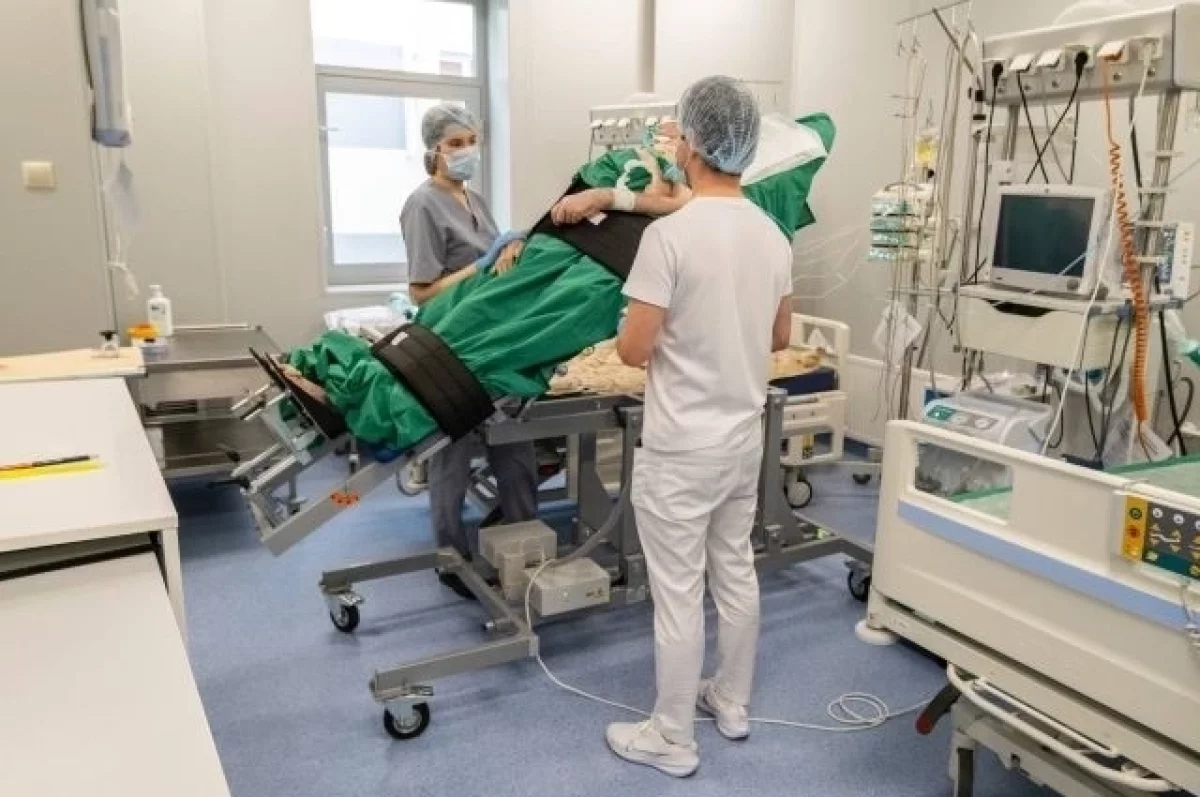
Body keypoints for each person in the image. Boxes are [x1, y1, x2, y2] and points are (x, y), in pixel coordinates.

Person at [600, 77, 795, 777]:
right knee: (734, 571)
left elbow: (633, 351)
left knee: (679, 593)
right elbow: (780, 335)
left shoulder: (669, 236)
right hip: (742, 439)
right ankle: (731, 702)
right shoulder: (772, 234)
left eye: (679, 134)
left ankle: (672, 737)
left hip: (682, 447)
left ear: (693, 143)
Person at [399, 103, 538, 597]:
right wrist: (479, 267)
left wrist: (511, 251)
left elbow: (496, 262)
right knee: (452, 455)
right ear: (435, 149)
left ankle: (525, 542)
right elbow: (422, 292)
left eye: (471, 141)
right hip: (450, 344)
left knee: (515, 444)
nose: (465, 151)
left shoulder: (473, 199)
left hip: (491, 342)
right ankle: (450, 558)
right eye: (455, 144)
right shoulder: (422, 205)